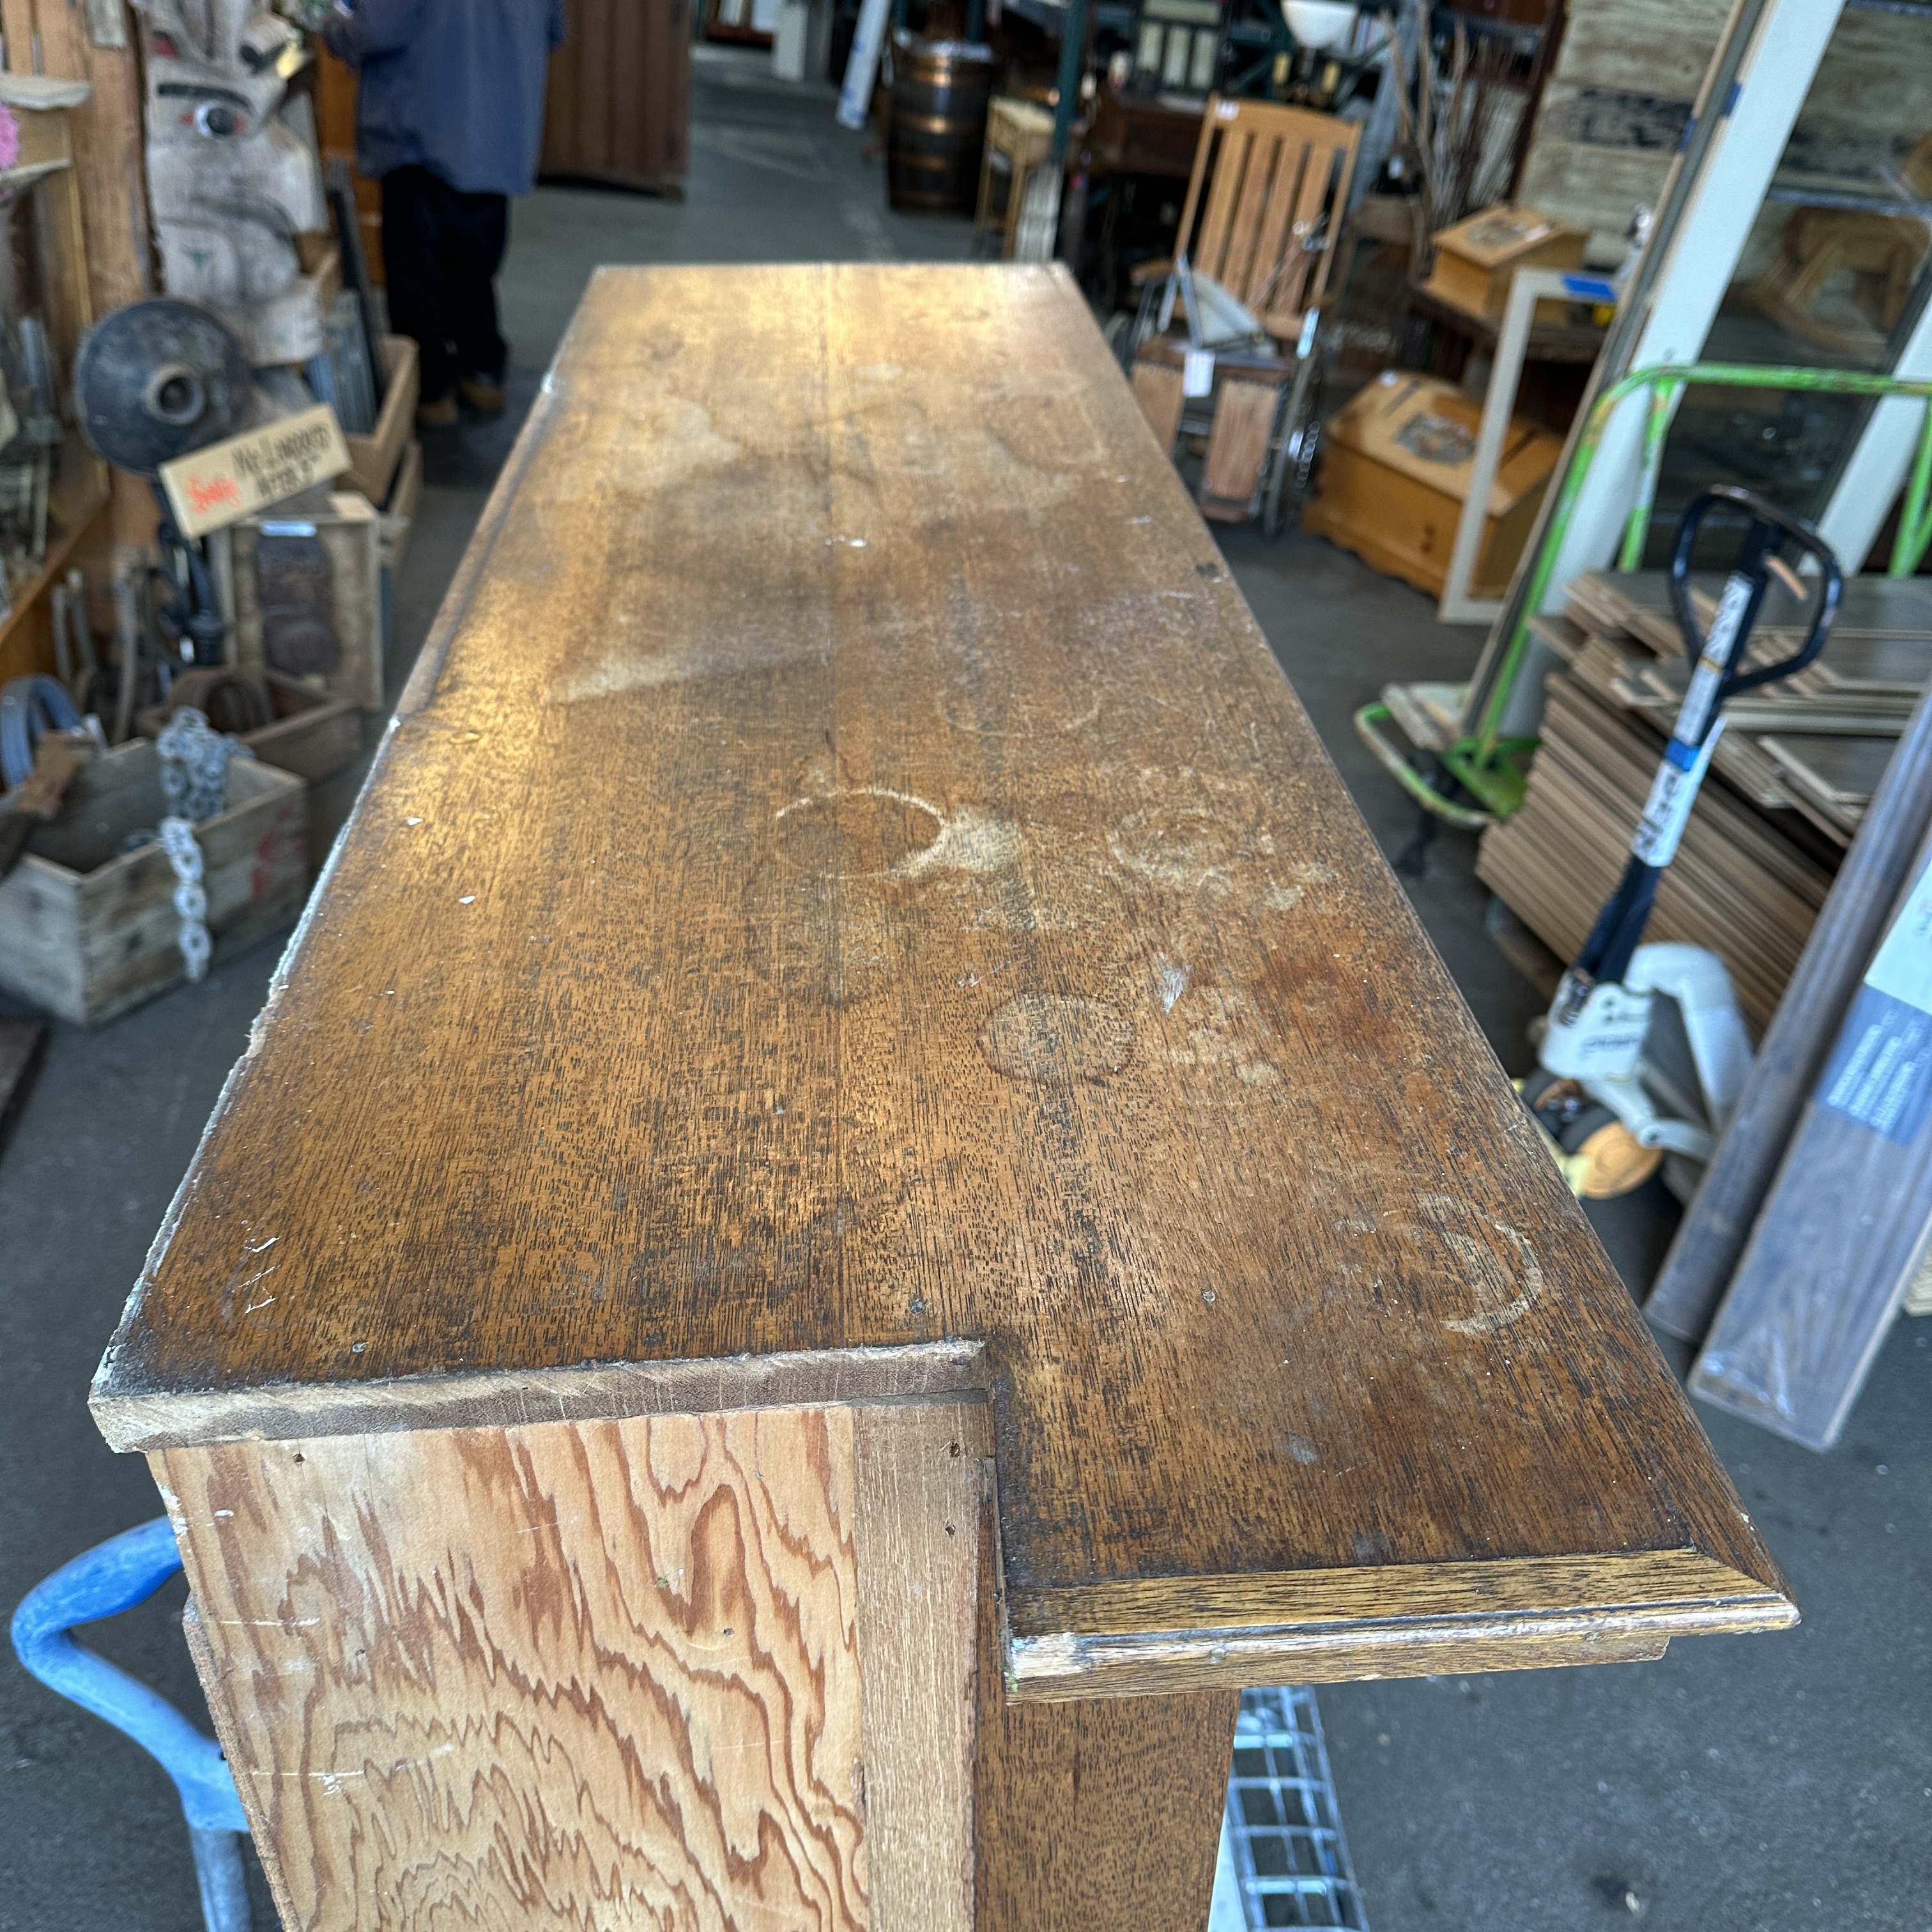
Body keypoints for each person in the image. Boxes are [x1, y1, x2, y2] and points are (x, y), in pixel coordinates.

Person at [323, 0, 567, 428]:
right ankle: (483, 372)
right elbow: (553, 30)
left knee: (416, 272)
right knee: (475, 263)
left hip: (422, 134)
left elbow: (374, 30)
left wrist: (332, 24)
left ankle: (432, 390)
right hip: (497, 134)